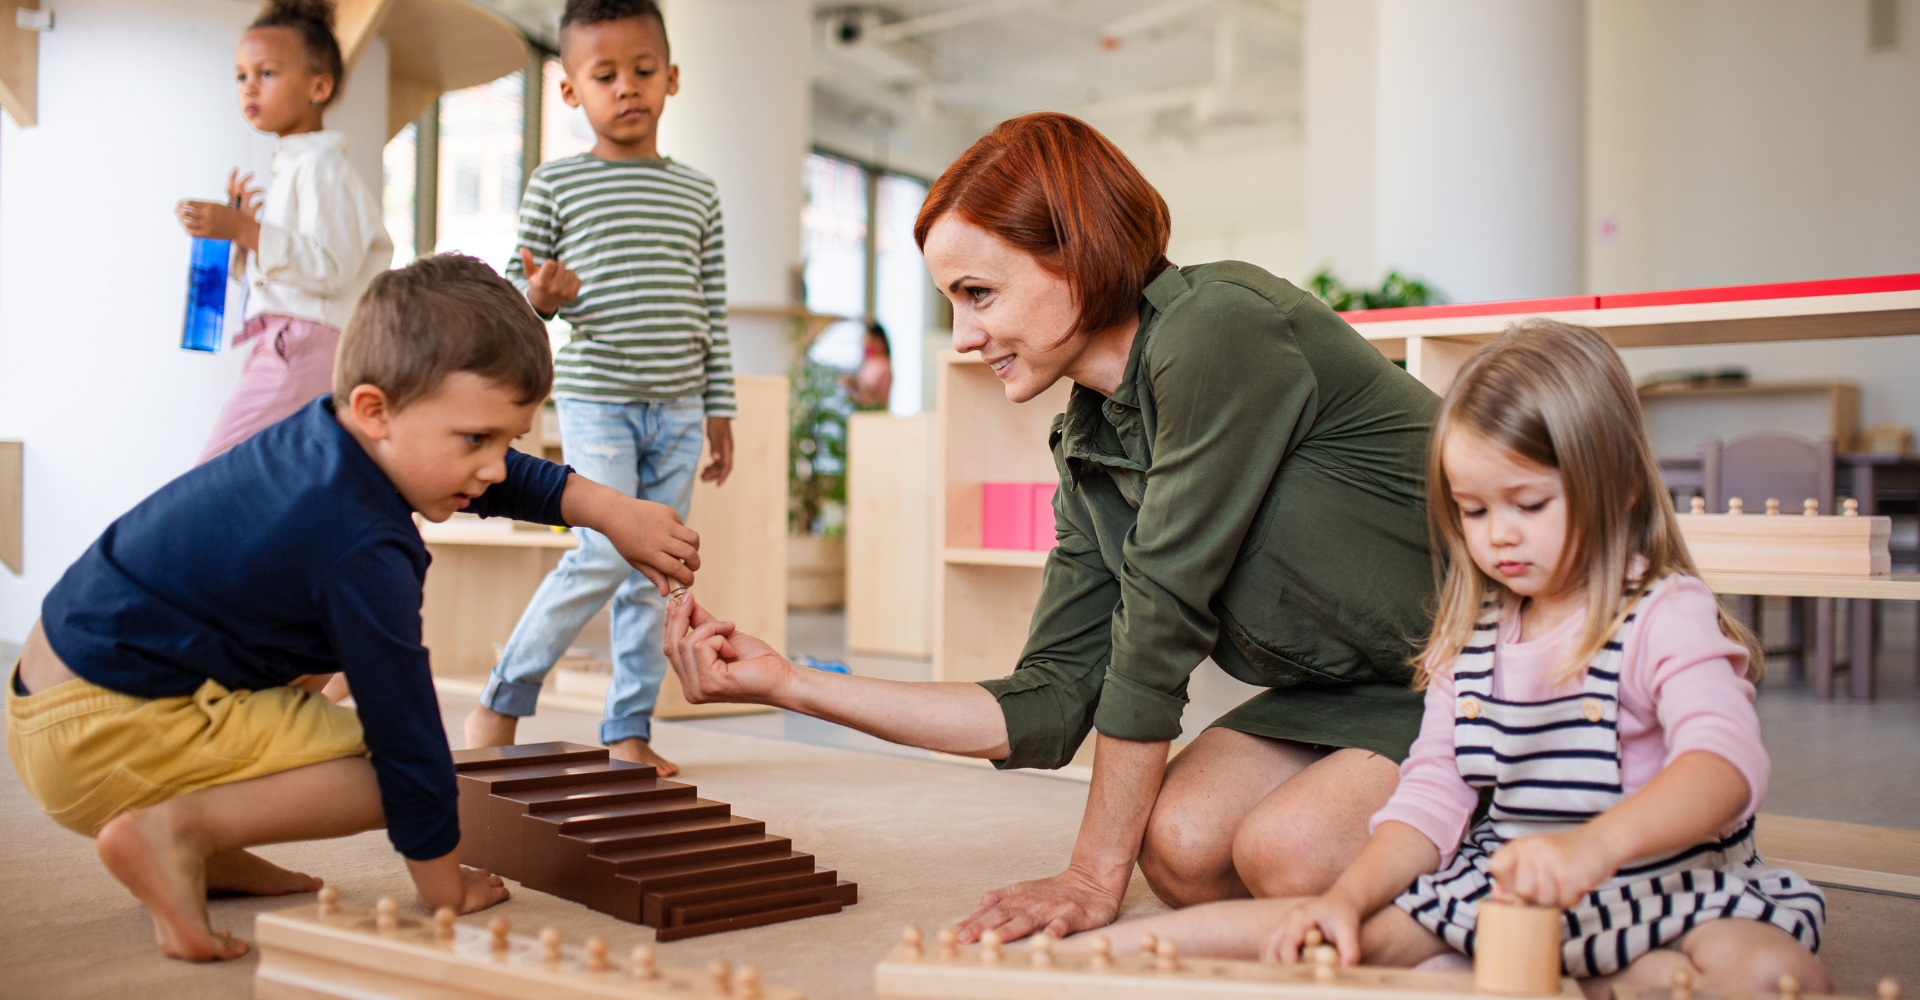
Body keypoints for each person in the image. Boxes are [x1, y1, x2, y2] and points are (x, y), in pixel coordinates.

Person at [665, 112, 1441, 942]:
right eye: (952, 303)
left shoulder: (1217, 328)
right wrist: (793, 684)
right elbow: (1051, 699)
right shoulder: (1089, 439)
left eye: (979, 294)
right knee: (1178, 847)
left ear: (1078, 253)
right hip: (1355, 692)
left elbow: (1159, 629)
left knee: (1291, 854)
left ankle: (1571, 813)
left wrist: (1090, 875)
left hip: (1490, 671)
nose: (963, 337)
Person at [1073, 321, 1827, 1000]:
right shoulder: (1472, 637)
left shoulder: (1667, 615)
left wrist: (1594, 847)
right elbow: (1430, 798)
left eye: (1529, 505)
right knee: (1325, 941)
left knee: (1770, 974)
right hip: (1511, 900)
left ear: (1622, 486)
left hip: (1670, 888)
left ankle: (1605, 972)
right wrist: (1350, 898)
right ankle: (1102, 953)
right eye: (1473, 510)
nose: (1498, 535)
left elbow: (1724, 768)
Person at [6, 255, 701, 963]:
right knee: (397, 768)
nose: (494, 466)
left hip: (56, 697)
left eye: (508, 440)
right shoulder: (363, 544)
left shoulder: (327, 440)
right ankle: (174, 830)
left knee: (317, 658)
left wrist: (610, 510)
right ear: (375, 409)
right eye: (476, 441)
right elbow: (406, 731)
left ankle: (208, 849)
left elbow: (482, 476)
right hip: (101, 734)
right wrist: (443, 890)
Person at [462, 0, 732, 778]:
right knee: (603, 553)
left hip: (681, 408)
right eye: (604, 75)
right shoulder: (555, 185)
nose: (627, 88)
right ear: (572, 91)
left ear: (672, 78)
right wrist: (543, 297)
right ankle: (503, 698)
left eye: (643, 71)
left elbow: (710, 306)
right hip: (597, 399)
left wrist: (720, 408)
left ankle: (628, 729)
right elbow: (513, 306)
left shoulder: (699, 194)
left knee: (658, 570)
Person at [177, 0, 392, 464]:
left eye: (266, 73)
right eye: (241, 75)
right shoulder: (297, 166)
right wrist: (240, 238)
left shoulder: (323, 165)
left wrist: (246, 229)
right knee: (295, 483)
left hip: (305, 345)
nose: (249, 86)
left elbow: (330, 268)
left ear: (319, 86)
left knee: (217, 475)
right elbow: (292, 268)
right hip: (291, 343)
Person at [847, 322, 893, 410]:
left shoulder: (884, 366)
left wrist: (858, 384)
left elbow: (877, 398)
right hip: (861, 411)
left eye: (870, 341)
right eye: (866, 341)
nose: (867, 345)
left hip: (875, 413)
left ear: (881, 341)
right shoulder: (868, 364)